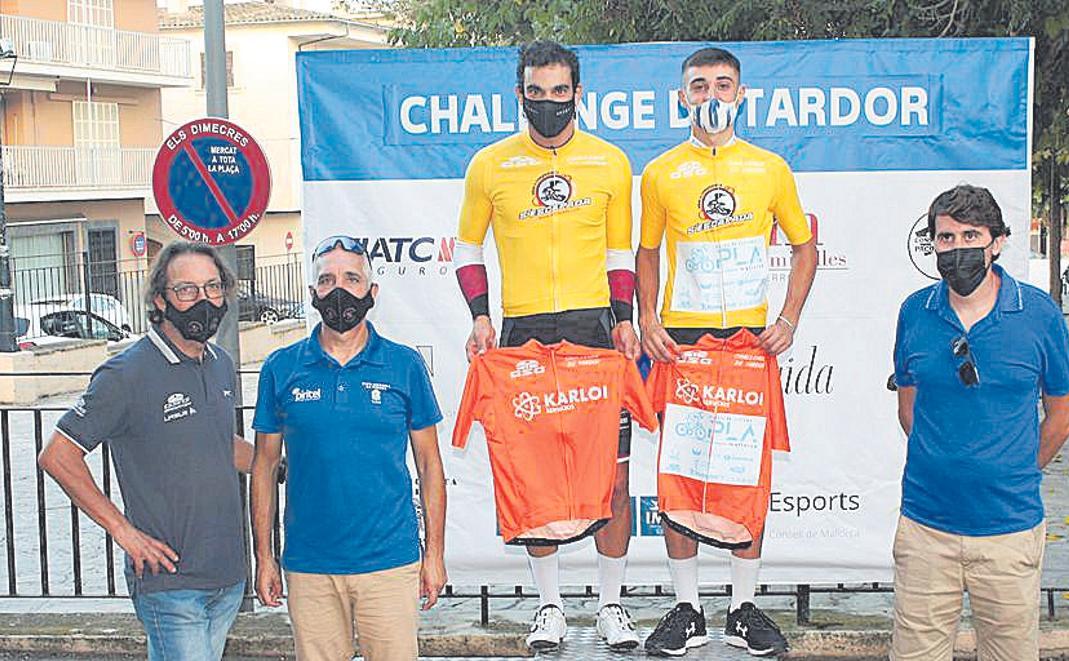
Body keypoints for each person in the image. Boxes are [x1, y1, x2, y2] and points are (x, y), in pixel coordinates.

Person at [453, 40, 640, 651]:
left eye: (561, 92)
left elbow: (618, 255)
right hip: (522, 333)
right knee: (536, 480)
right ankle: (550, 606)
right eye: (537, 93)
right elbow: (467, 249)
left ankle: (612, 605)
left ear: (578, 94)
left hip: (594, 331)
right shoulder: (489, 164)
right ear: (520, 94)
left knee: (611, 479)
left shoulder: (610, 161)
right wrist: (480, 317)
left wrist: (624, 319)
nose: (549, 103)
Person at [636, 46, 818, 657]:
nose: (711, 95)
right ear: (682, 96)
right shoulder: (660, 172)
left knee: (746, 472)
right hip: (683, 345)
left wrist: (789, 317)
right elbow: (647, 252)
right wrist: (647, 318)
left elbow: (804, 246)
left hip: (747, 341)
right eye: (698, 86)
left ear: (740, 94)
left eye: (722, 84)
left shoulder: (769, 168)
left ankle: (743, 608)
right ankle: (687, 608)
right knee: (680, 472)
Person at [890, 185, 1069, 661]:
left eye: (970, 235)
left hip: (1009, 531)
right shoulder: (914, 312)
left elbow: (1062, 416)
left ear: (997, 242)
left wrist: (1013, 467)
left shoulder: (1039, 315)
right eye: (945, 238)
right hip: (926, 529)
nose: (957, 249)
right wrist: (949, 459)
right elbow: (908, 406)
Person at [38, 242, 251, 661]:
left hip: (227, 578)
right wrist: (124, 533)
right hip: (170, 584)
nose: (203, 301)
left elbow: (219, 443)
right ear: (160, 299)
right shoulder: (125, 375)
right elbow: (57, 455)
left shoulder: (220, 362)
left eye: (212, 287)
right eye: (187, 290)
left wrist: (279, 465)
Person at [251, 236, 447, 660]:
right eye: (327, 280)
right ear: (313, 294)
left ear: (371, 293)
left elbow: (430, 465)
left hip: (390, 563)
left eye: (351, 279)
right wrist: (264, 558)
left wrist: (434, 554)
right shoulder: (280, 368)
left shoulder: (404, 365)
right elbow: (264, 466)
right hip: (309, 565)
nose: (338, 290)